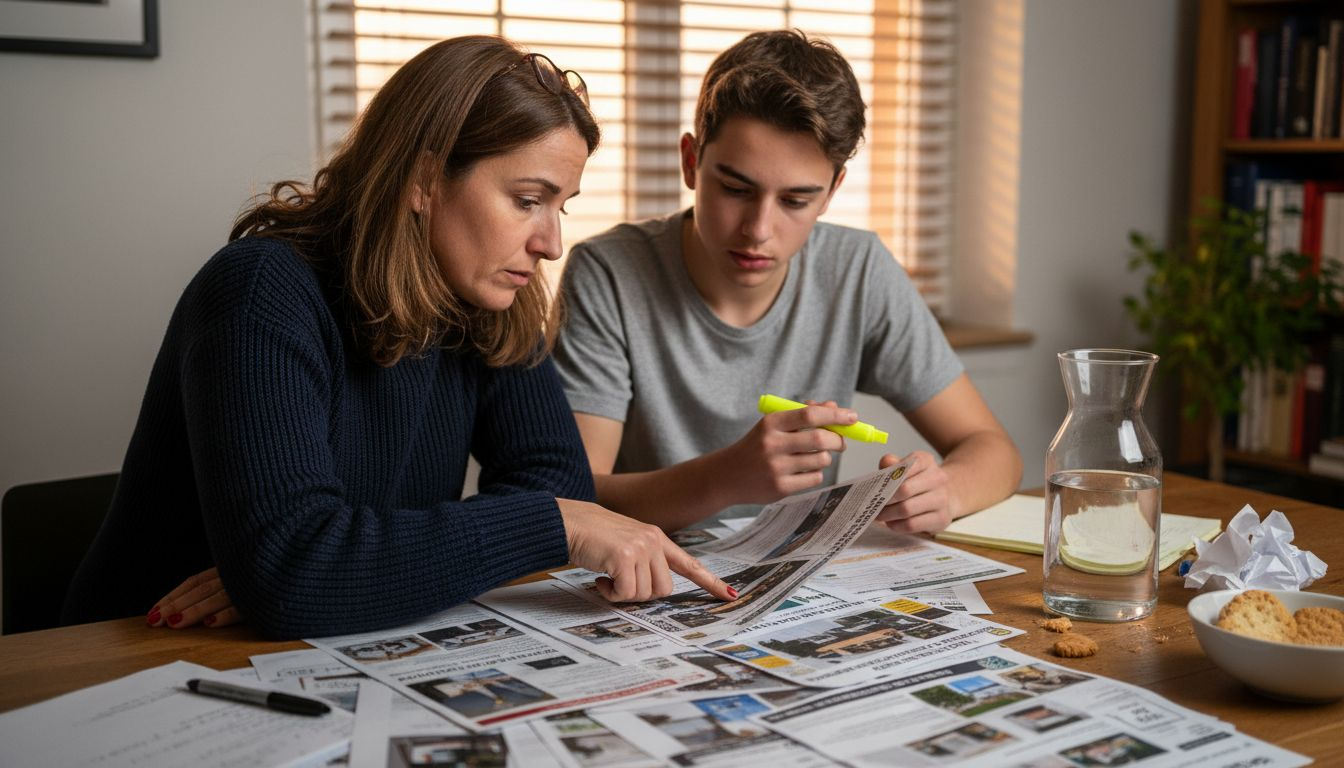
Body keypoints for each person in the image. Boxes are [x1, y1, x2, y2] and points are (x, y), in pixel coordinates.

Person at [61, 35, 733, 639]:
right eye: (528, 200)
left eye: (562, 206)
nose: (552, 243)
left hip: (318, 642)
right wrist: (311, 570)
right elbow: (298, 573)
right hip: (137, 653)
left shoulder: (491, 295)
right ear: (422, 179)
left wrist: (351, 570)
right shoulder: (259, 291)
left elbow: (554, 479)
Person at [552, 30, 1022, 536]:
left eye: (796, 201)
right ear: (691, 162)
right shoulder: (608, 272)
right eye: (735, 189)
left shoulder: (857, 268)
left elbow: (994, 451)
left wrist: (946, 490)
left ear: (831, 192)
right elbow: (576, 496)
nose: (757, 230)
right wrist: (726, 479)